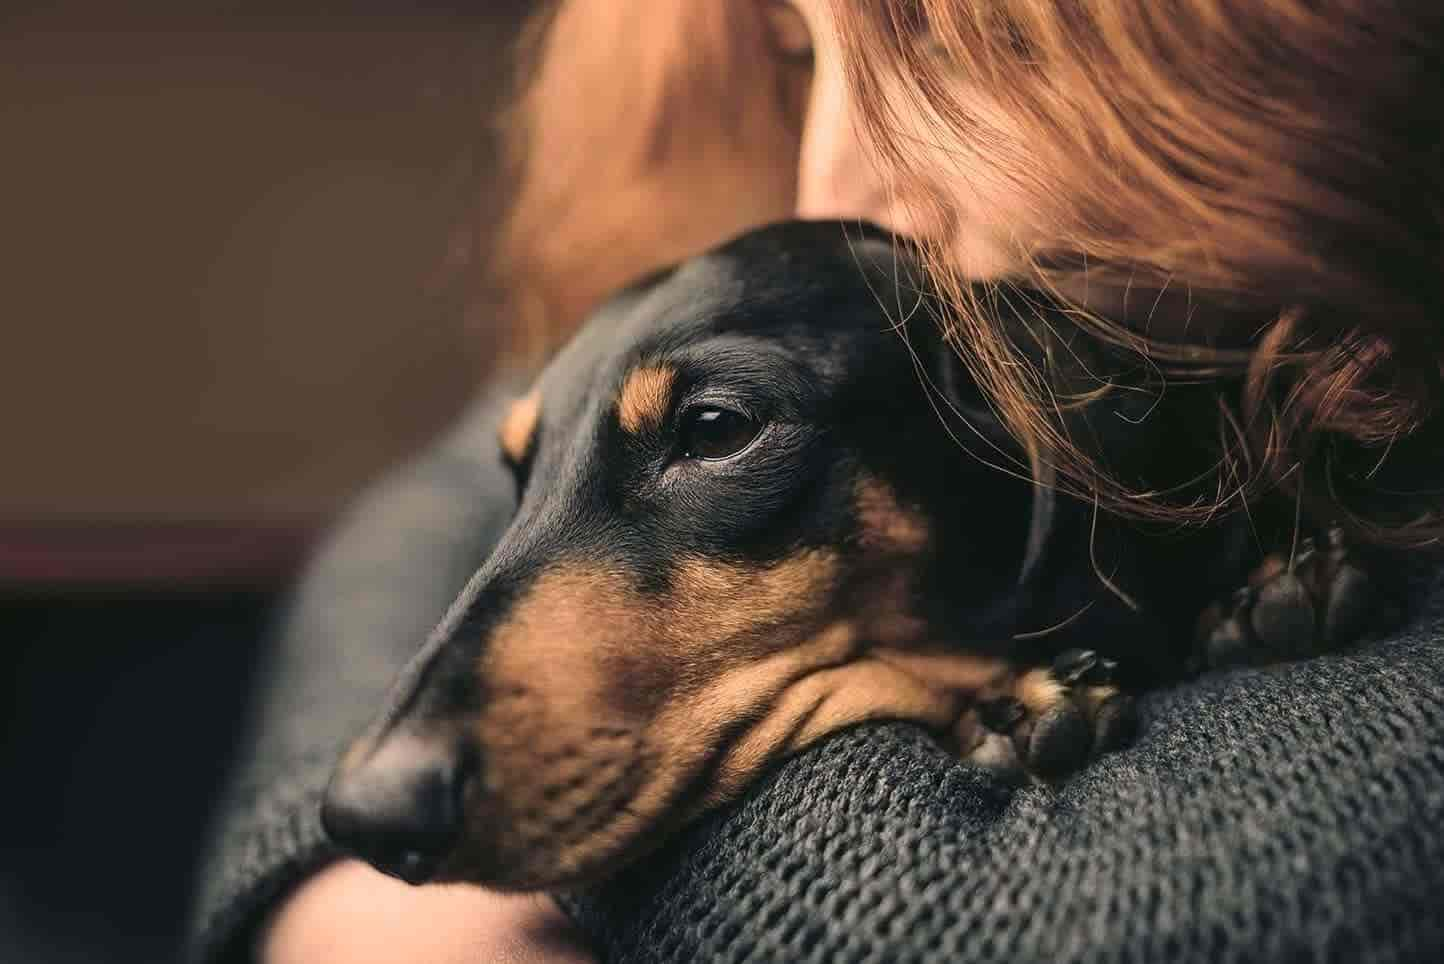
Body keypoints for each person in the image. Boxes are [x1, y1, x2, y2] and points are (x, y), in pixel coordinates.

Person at [189, 2, 1444, 962]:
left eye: (968, 39)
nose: (826, 183)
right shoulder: (910, 311)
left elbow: (1015, 909)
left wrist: (545, 859)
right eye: (799, 47)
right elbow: (447, 493)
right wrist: (335, 872)